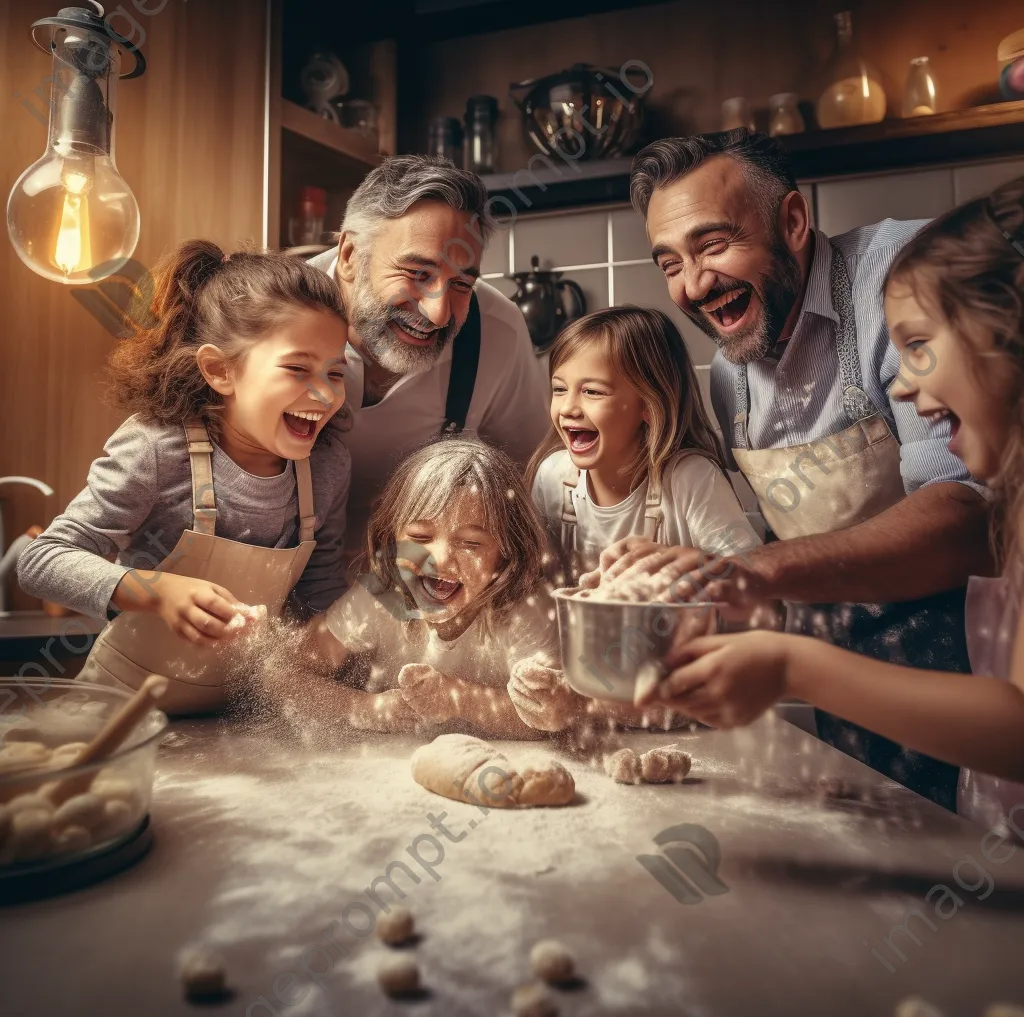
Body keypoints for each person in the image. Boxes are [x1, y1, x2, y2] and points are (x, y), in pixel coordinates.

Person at [603, 129, 996, 809]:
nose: (693, 286)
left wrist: (750, 577)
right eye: (669, 263)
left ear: (791, 220)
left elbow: (967, 516)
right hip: (845, 688)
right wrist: (691, 578)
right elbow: (785, 548)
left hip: (964, 668)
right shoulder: (729, 374)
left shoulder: (905, 279)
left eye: (712, 245)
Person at [17, 240, 352, 715]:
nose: (322, 394)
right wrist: (157, 591)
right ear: (220, 370)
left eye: (335, 373)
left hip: (236, 718)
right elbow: (42, 561)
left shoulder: (327, 465)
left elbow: (318, 589)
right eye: (298, 368)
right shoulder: (158, 449)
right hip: (122, 717)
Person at [307, 155, 549, 570]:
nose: (439, 315)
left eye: (460, 284)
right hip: (265, 595)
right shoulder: (267, 314)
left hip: (409, 594)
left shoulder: (496, 330)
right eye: (418, 273)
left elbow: (530, 489)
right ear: (349, 256)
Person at [266, 437, 575, 737]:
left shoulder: (522, 607)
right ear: (391, 539)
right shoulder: (386, 591)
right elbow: (286, 674)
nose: (439, 560)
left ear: (508, 552)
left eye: (470, 543)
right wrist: (365, 708)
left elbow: (548, 719)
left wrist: (460, 698)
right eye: (420, 538)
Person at [529, 306, 760, 585]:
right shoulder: (552, 477)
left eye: (592, 391)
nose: (568, 408)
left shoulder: (690, 479)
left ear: (650, 405)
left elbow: (752, 582)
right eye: (559, 389)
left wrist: (679, 569)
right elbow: (536, 584)